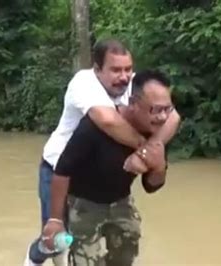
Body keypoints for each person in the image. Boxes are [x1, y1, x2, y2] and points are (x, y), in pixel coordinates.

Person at [24, 39, 180, 266]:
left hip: (95, 175)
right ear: (97, 70)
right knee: (56, 238)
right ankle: (32, 259)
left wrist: (151, 151)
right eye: (115, 70)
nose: (124, 77)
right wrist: (145, 149)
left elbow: (173, 117)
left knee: (81, 239)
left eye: (128, 69)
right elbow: (108, 121)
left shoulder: (133, 86)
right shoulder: (84, 83)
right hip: (59, 166)